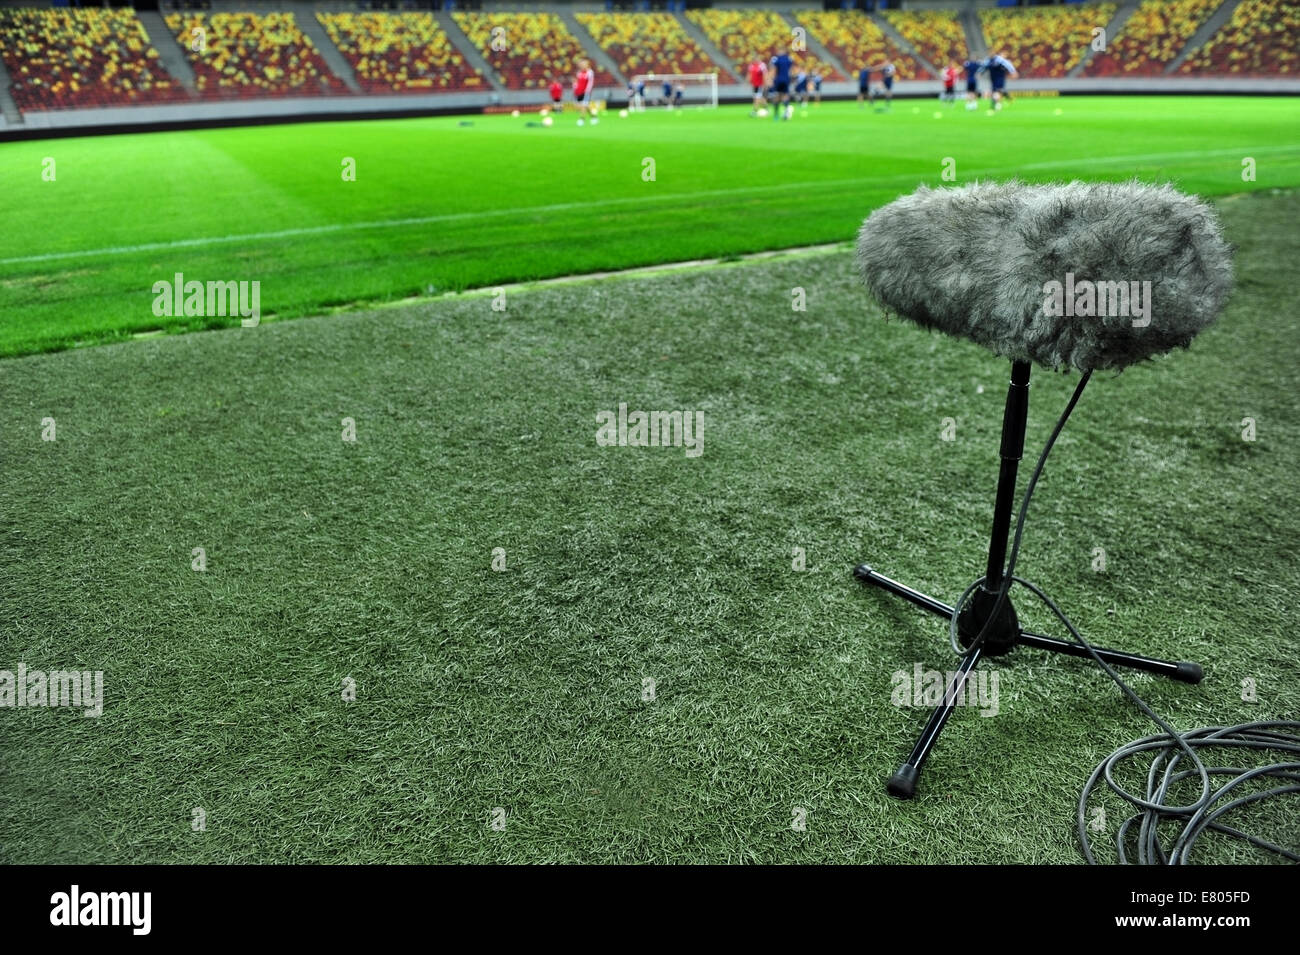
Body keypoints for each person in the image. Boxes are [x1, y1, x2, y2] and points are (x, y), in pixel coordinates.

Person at [769, 45, 793, 121]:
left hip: (778, 80)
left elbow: (774, 70)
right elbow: (790, 70)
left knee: (777, 96)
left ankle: (776, 115)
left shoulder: (776, 59)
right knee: (785, 95)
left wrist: (771, 79)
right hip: (786, 80)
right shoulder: (789, 59)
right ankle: (786, 112)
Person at [573, 59, 596, 125]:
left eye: (583, 64)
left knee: (584, 105)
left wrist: (587, 91)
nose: (582, 65)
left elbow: (590, 82)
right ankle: (594, 117)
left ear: (587, 65)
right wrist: (576, 89)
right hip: (579, 92)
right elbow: (578, 82)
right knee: (583, 106)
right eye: (581, 64)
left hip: (586, 92)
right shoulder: (579, 73)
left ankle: (582, 119)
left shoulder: (590, 72)